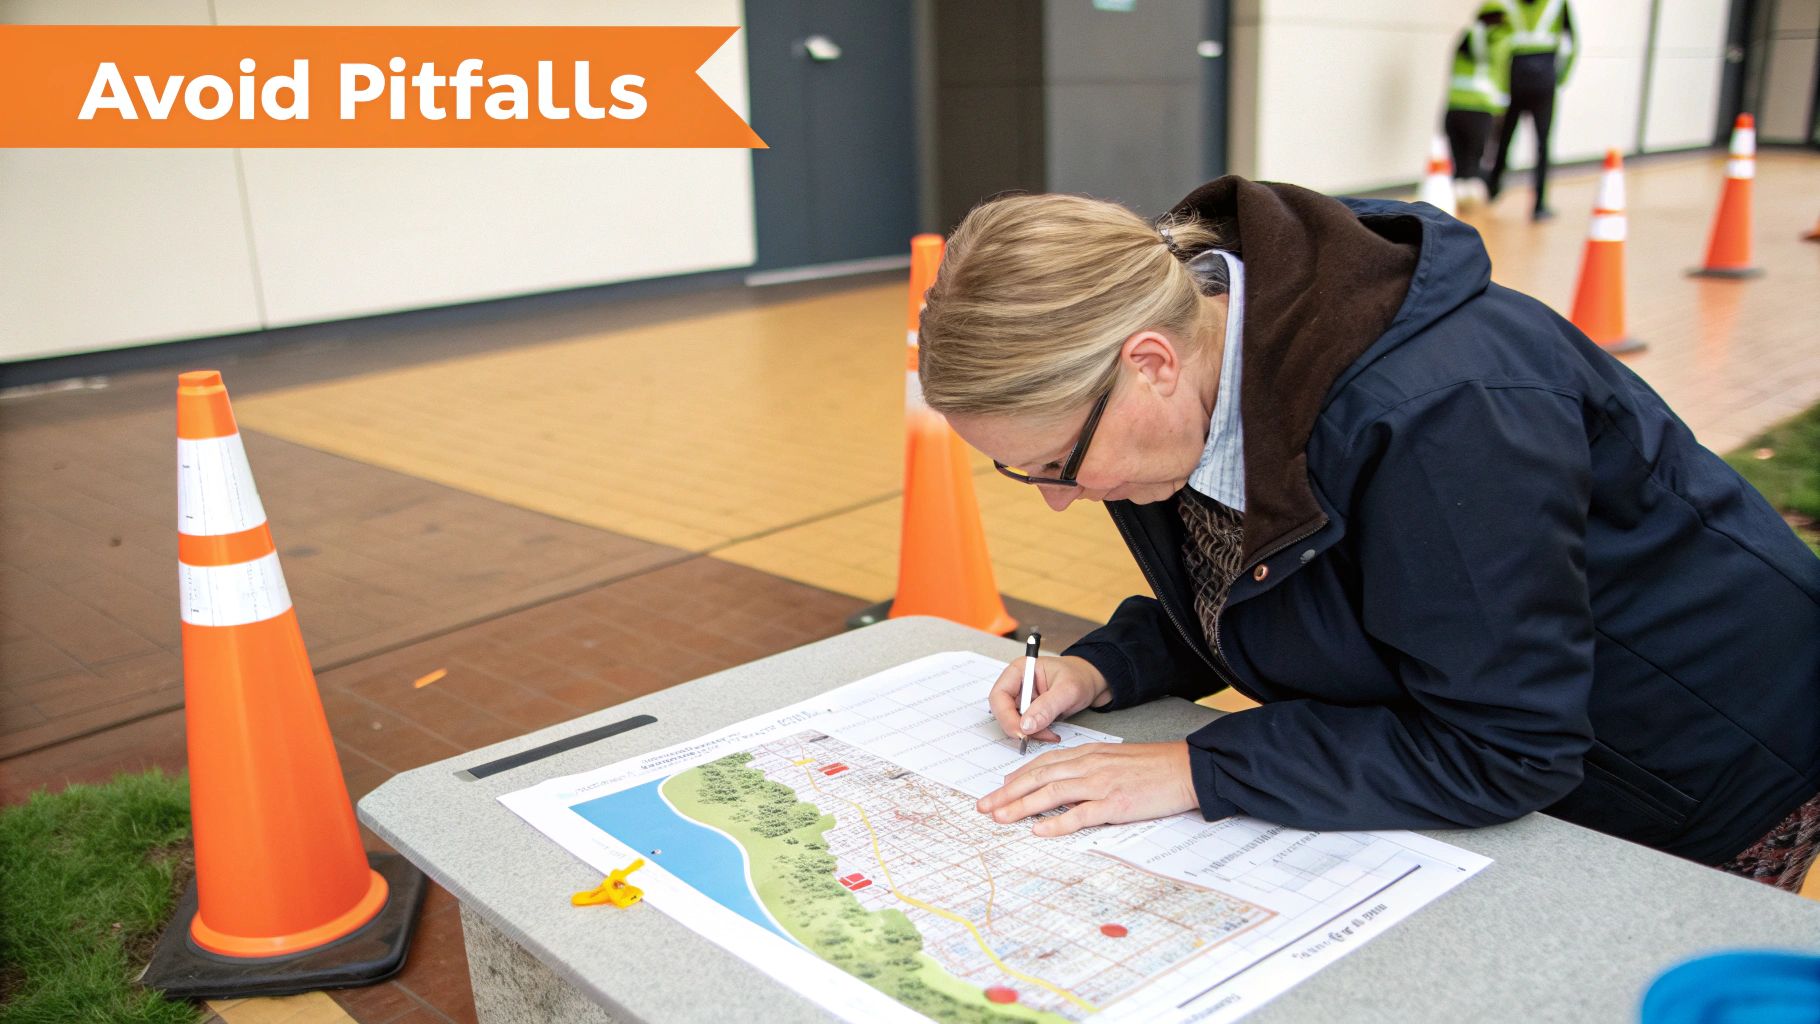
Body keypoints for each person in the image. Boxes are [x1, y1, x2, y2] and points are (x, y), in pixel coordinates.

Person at [913, 180, 1820, 893]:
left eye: (1058, 462)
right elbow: (1285, 584)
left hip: (1696, 757)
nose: (1059, 501)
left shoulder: (1442, 420)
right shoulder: (1180, 380)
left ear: (1147, 361)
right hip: (1529, 742)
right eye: (1019, 470)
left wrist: (1203, 768)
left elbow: (1506, 746)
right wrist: (1108, 666)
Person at [1485, 0, 1576, 220]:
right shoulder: (1556, 4)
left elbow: (1492, 41)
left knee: (1505, 136)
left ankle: (1493, 189)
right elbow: (1570, 43)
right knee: (1543, 144)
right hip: (1544, 76)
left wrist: (1497, 83)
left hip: (1515, 74)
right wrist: (1560, 77)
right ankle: (1539, 204)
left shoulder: (1507, 5)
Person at [1444, 4, 1513, 207]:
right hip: (1481, 109)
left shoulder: (1464, 37)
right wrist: (1502, 112)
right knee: (1474, 161)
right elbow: (1502, 77)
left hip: (1455, 106)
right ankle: (1470, 209)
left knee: (1458, 163)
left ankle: (1456, 205)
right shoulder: (1501, 41)